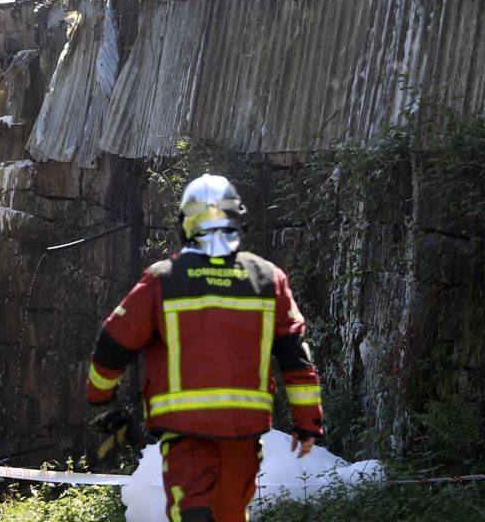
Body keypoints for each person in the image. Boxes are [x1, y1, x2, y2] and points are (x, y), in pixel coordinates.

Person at [85, 174, 326, 522]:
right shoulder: (268, 278)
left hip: (185, 428)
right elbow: (296, 358)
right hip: (243, 428)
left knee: (192, 508)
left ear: (186, 224)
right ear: (237, 220)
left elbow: (113, 342)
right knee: (230, 512)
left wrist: (101, 399)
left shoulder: (162, 278)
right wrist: (308, 423)